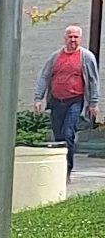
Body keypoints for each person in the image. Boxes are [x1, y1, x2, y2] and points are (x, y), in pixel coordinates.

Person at [34, 24, 100, 177]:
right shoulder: (55, 57)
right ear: (65, 38)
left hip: (74, 101)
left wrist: (93, 102)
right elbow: (44, 77)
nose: (73, 40)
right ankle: (58, 168)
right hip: (57, 101)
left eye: (76, 37)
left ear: (80, 39)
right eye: (70, 36)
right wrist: (39, 98)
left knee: (68, 133)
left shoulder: (86, 57)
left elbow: (93, 80)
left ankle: (67, 169)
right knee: (58, 136)